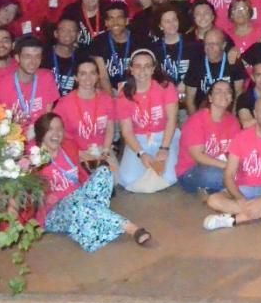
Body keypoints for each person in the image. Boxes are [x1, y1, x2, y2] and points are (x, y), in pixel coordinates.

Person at [33, 112, 150, 251]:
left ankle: (92, 221)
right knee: (77, 201)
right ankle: (130, 228)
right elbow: (34, 198)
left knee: (105, 172)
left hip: (80, 198)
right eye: (51, 129)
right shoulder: (34, 161)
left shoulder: (68, 147)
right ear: (41, 133)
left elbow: (84, 157)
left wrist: (103, 158)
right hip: (56, 212)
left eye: (59, 129)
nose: (56, 133)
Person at [203, 94, 261, 229]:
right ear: (255, 113)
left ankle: (233, 219)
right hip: (244, 188)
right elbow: (229, 175)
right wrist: (240, 199)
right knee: (213, 200)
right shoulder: (240, 138)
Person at [115, 48, 181, 192]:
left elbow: (172, 120)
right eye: (138, 66)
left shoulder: (166, 87)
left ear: (153, 69)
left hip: (165, 136)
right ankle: (149, 171)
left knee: (170, 176)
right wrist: (141, 154)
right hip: (139, 139)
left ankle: (152, 173)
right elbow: (126, 131)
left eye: (147, 66)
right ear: (131, 69)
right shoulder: (124, 94)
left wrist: (164, 149)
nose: (142, 71)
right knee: (127, 180)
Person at [177, 78, 242, 194]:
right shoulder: (196, 121)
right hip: (192, 170)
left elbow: (236, 152)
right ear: (210, 98)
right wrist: (228, 166)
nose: (224, 94)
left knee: (244, 172)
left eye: (228, 91)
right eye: (218, 91)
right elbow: (198, 157)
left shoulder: (233, 121)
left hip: (222, 166)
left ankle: (217, 191)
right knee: (214, 175)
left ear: (232, 98)